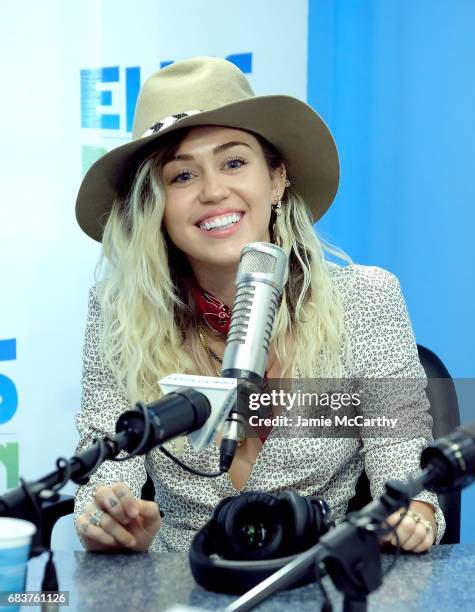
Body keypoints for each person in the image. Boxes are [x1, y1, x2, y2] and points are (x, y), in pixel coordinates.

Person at [74, 56, 445, 555]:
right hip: (179, 585)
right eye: (182, 176)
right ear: (154, 206)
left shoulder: (366, 298)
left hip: (318, 579)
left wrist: (412, 513)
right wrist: (109, 515)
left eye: (233, 162)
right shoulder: (120, 312)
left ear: (276, 179)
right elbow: (105, 457)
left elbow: (402, 457)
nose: (213, 191)